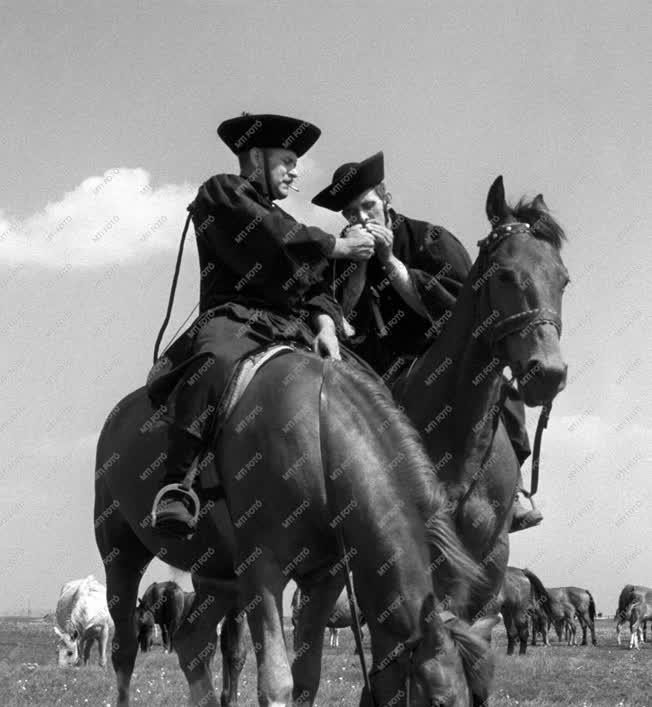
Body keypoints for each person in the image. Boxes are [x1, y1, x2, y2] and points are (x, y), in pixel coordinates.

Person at [150, 113, 374, 538]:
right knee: (212, 362)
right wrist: (338, 244)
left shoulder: (283, 221)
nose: (295, 172)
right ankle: (177, 486)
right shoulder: (221, 192)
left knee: (366, 380)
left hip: (293, 327)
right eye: (287, 160)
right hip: (234, 319)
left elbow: (311, 286)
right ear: (256, 156)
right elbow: (275, 236)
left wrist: (326, 326)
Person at [312, 151, 541, 531]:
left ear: (386, 199)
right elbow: (338, 316)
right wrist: (359, 264)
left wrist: (389, 261)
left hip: (436, 352)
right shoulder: (341, 254)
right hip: (372, 365)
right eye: (351, 214)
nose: (362, 219)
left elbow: (461, 303)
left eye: (368, 206)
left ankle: (514, 486)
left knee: (492, 379)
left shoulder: (428, 238)